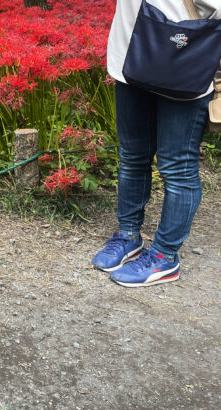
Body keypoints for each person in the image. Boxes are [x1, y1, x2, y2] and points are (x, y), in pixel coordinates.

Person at [93, 0, 221, 287]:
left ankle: (165, 257)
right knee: (132, 155)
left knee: (177, 167)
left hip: (185, 64)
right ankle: (128, 235)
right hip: (129, 57)